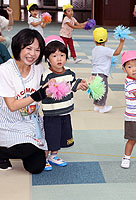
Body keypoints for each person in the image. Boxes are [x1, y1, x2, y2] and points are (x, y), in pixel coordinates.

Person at [0, 28, 50, 174]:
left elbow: (54, 79)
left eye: (37, 50)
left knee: (36, 168)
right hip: (9, 123)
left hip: (31, 122)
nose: (32, 54)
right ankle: (1, 151)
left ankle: (25, 147)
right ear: (18, 46)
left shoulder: (39, 68)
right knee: (28, 148)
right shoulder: (5, 70)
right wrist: (37, 96)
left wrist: (74, 83)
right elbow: (11, 106)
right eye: (28, 48)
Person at [41, 35, 88, 171]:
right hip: (52, 113)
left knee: (62, 134)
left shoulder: (69, 73)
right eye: (54, 56)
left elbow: (72, 85)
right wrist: (50, 87)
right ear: (48, 58)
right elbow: (43, 91)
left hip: (65, 111)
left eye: (62, 55)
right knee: (51, 135)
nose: (59, 58)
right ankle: (44, 157)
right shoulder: (47, 75)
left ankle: (54, 155)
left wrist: (80, 85)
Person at [88, 27, 125, 113]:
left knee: (97, 89)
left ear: (94, 40)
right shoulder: (105, 50)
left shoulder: (94, 50)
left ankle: (97, 105)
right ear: (106, 39)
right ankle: (102, 107)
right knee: (104, 90)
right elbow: (116, 53)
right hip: (102, 73)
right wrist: (121, 42)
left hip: (94, 73)